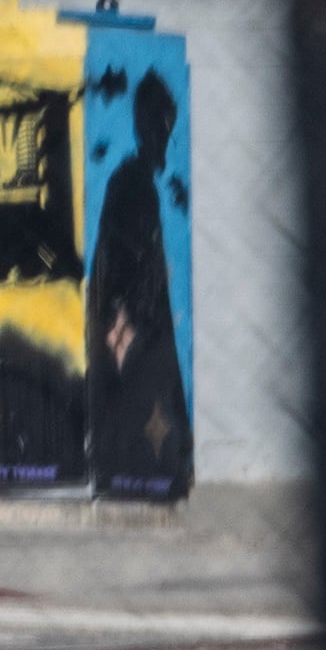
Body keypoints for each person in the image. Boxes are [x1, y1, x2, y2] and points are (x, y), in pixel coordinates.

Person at [84, 67, 192, 498]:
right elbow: (117, 262)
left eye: (168, 125)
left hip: (135, 320)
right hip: (130, 323)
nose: (165, 135)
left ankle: (145, 468)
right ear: (143, 125)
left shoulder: (134, 182)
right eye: (158, 124)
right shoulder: (130, 183)